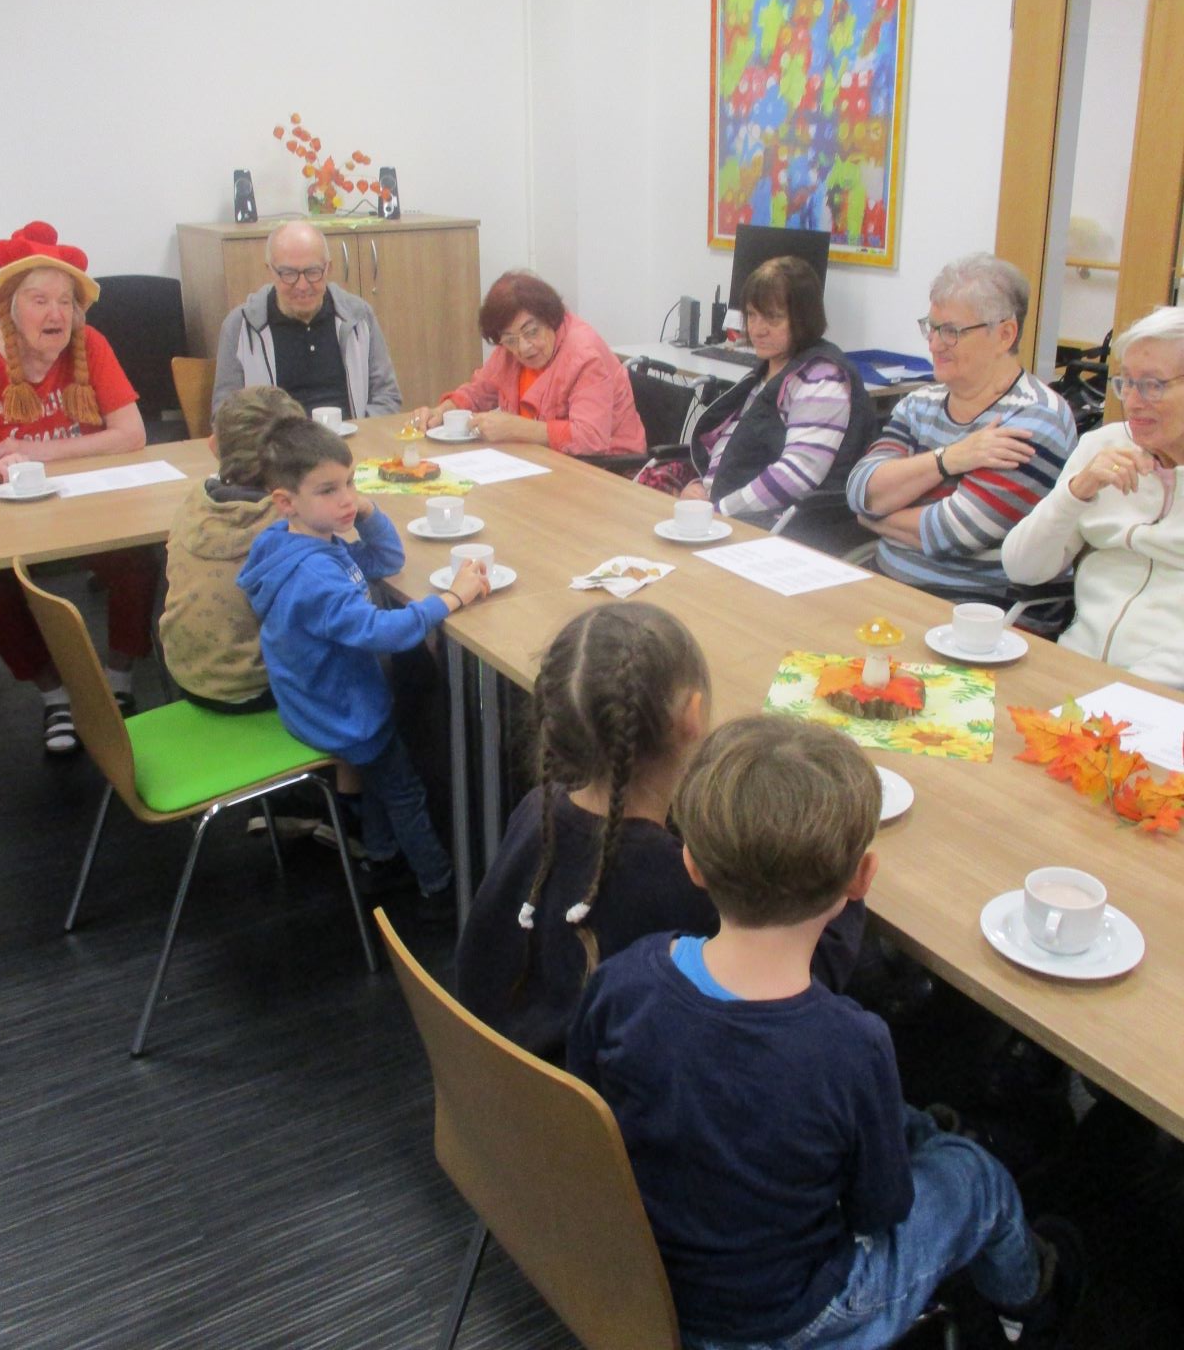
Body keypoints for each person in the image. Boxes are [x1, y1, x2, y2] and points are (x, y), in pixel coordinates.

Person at [567, 714, 1083, 1350]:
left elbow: (587, 1108)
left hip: (643, 1275)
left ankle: (928, 1133)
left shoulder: (625, 979)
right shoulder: (851, 1043)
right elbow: (879, 1212)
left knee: (898, 1119)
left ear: (692, 864)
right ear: (861, 880)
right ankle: (1030, 1301)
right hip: (788, 1315)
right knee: (977, 1177)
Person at [455, 605, 865, 1063]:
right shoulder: (674, 877)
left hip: (501, 1089)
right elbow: (794, 982)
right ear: (694, 714)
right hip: (616, 1114)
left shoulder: (537, 810)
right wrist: (842, 860)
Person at [237, 417, 489, 920]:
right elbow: (385, 631)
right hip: (341, 712)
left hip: (315, 697)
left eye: (349, 483)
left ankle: (381, 856)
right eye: (329, 490)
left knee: (379, 779)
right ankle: (439, 887)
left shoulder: (294, 539)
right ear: (286, 501)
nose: (346, 498)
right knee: (404, 791)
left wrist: (365, 509)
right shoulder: (314, 573)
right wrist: (452, 599)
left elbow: (384, 558)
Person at [0, 220, 155, 752]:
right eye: (39, 300)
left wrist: (40, 452)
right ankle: (54, 695)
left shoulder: (92, 344)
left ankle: (118, 683)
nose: (55, 314)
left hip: (84, 505)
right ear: (9, 305)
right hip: (7, 512)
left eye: (65, 301)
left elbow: (131, 434)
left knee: (138, 557)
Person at [846, 254, 1076, 603]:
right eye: (932, 327)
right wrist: (948, 459)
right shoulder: (919, 402)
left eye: (952, 332)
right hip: (887, 589)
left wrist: (874, 518)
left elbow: (952, 532)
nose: (934, 344)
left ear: (1004, 334)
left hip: (977, 613)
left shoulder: (1035, 419)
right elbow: (861, 489)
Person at [1002, 304, 1184, 686]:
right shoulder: (1103, 447)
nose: (1132, 401)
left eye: (1153, 384)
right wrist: (1076, 492)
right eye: (1126, 383)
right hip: (1073, 669)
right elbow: (1021, 567)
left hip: (1163, 693)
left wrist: (1127, 692)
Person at [641, 256, 876, 547]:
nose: (758, 329)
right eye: (752, 315)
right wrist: (699, 485)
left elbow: (796, 474)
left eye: (773, 318)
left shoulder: (821, 378)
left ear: (804, 318)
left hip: (774, 527)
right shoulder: (770, 369)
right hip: (728, 512)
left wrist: (717, 509)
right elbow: (731, 447)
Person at [160, 386, 304, 711]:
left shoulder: (194, 502)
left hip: (189, 677)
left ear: (214, 447)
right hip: (258, 688)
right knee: (391, 660)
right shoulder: (289, 522)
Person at [413, 270, 646, 455]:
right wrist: (443, 411)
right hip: (544, 462)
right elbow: (478, 391)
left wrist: (514, 428)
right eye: (510, 340)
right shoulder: (509, 352)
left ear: (551, 317)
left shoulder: (585, 355)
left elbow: (590, 438)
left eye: (532, 332)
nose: (523, 347)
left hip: (606, 472)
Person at [211, 219, 402, 421]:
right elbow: (223, 416)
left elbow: (387, 397)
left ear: (328, 269)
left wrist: (359, 434)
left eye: (313, 272)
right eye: (289, 274)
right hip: (277, 447)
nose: (302, 285)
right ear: (270, 271)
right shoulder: (240, 327)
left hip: (351, 443)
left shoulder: (359, 317)